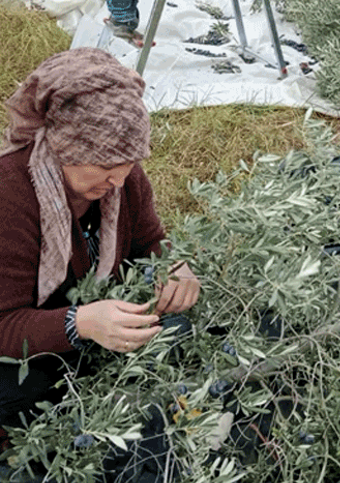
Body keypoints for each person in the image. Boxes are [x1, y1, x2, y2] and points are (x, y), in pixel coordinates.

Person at [0, 48, 200, 446]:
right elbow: (4, 323)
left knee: (183, 332)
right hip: (30, 346)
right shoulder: (10, 196)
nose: (119, 181)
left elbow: (149, 241)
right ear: (64, 147)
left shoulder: (124, 177)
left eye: (129, 164)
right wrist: (80, 324)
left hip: (98, 322)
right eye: (106, 167)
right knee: (18, 395)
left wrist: (173, 265)